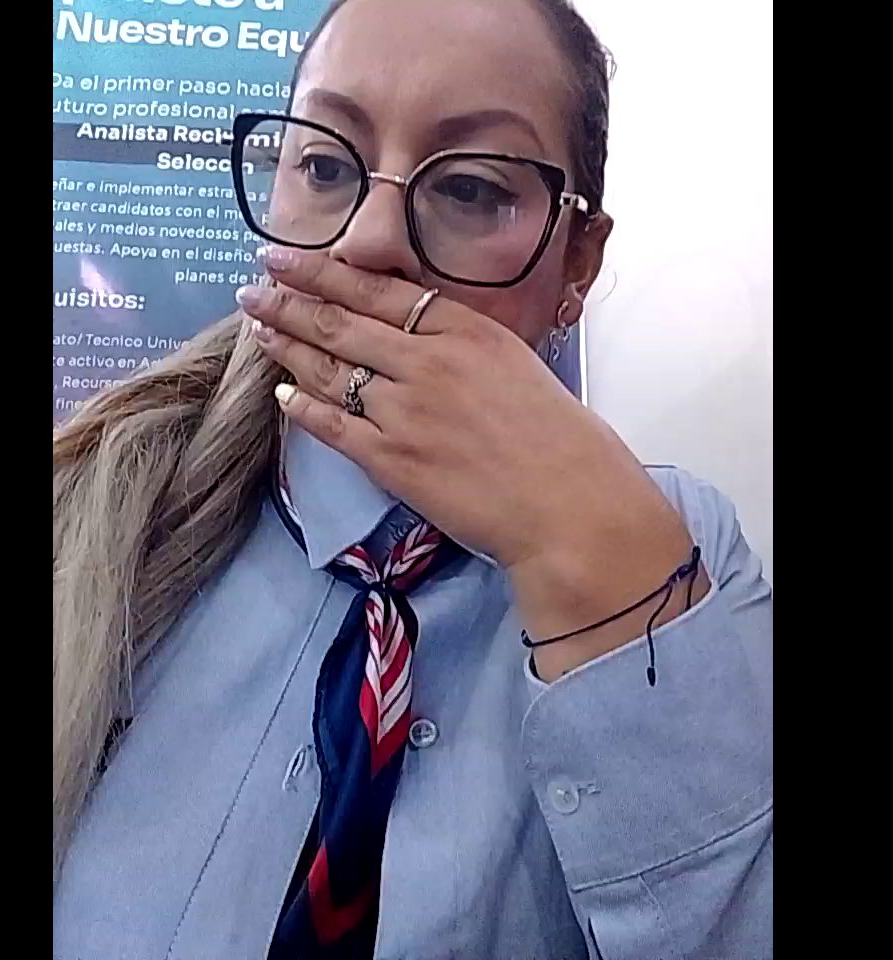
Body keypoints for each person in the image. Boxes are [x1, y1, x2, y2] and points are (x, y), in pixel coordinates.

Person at [52, 0, 773, 957]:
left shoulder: (678, 548)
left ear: (578, 261)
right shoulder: (99, 509)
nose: (368, 240)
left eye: (471, 187)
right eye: (324, 166)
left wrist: (586, 561)